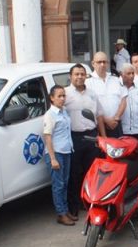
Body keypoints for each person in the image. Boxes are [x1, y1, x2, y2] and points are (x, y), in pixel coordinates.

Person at [64, 64, 106, 214]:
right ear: (71, 76)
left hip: (92, 136)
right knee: (74, 173)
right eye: (77, 74)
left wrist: (103, 137)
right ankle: (73, 205)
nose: (80, 77)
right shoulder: (65, 94)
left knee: (91, 172)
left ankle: (88, 202)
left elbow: (99, 115)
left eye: (82, 74)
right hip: (74, 137)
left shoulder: (92, 94)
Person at [42, 85, 76, 226]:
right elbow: (47, 137)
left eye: (64, 96)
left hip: (66, 150)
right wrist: (53, 158)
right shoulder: (50, 115)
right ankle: (61, 214)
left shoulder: (64, 111)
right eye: (59, 96)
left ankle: (65, 210)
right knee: (58, 185)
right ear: (52, 98)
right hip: (56, 153)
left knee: (65, 183)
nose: (62, 99)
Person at [86, 52, 127, 138]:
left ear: (108, 63)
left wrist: (116, 118)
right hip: (99, 126)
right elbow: (89, 106)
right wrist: (106, 120)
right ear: (93, 64)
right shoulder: (88, 82)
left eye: (105, 62)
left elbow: (123, 100)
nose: (102, 64)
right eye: (99, 62)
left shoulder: (115, 79)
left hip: (116, 124)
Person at [119, 63, 138, 138]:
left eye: (133, 73)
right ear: (122, 75)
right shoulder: (118, 89)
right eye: (128, 73)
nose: (131, 76)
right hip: (122, 131)